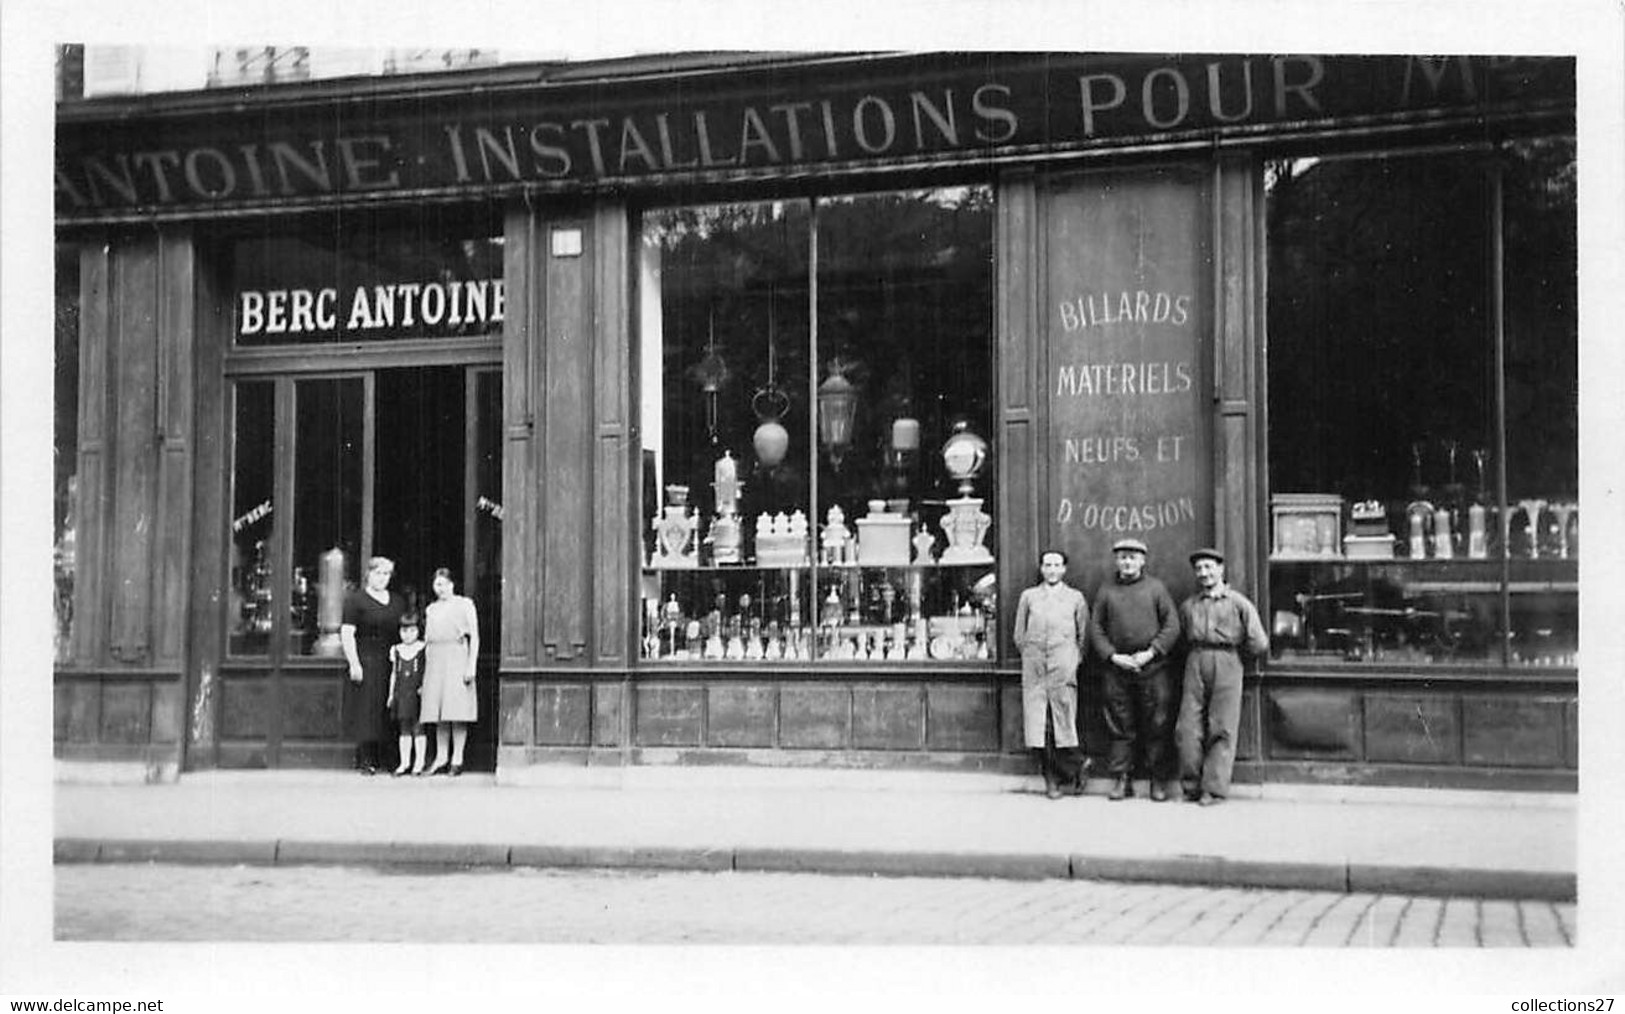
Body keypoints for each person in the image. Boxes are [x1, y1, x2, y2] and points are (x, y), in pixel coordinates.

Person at [1089, 537, 1181, 802]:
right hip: (1117, 670)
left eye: (1132, 557)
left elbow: (1172, 625)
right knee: (1119, 726)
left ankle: (1157, 779)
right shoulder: (1106, 590)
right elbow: (1095, 629)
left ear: (1142, 560)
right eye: (1122, 557)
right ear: (1116, 561)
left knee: (1157, 724)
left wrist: (1150, 652)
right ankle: (1122, 779)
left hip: (1153, 669)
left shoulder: (1156, 589)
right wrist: (1113, 656)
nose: (1127, 562)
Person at [1175, 547, 1269, 806]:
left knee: (1222, 726)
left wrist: (1235, 659)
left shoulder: (1238, 603)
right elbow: (1181, 638)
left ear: (1221, 569)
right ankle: (1191, 786)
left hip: (1228, 660)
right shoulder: (1189, 605)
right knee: (1187, 727)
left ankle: (1214, 789)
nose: (1204, 573)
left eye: (1209, 567)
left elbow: (1259, 642)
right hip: (1195, 660)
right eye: (1199, 569)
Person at [1012, 549, 1090, 800]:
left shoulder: (1075, 598)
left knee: (1063, 722)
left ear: (1064, 569)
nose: (1052, 569)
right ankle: (1052, 780)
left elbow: (1083, 636)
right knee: (1038, 726)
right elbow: (1019, 634)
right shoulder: (1029, 596)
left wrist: (1072, 660)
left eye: (1057, 565)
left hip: (1062, 666)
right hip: (1035, 667)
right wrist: (1030, 654)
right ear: (1041, 568)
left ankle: (1076, 766)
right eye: (1048, 565)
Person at [340, 556, 407, 775]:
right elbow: (347, 632)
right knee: (367, 709)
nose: (383, 578)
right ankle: (366, 759)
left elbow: (404, 631)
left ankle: (388, 757)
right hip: (366, 659)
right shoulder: (355, 600)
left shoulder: (397, 601)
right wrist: (354, 662)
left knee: (387, 708)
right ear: (368, 574)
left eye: (387, 574)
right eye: (378, 573)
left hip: (390, 659)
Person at [419, 567, 480, 776]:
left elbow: (475, 637)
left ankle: (457, 758)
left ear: (452, 584)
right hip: (436, 657)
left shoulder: (464, 605)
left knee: (457, 709)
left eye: (444, 584)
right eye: (437, 584)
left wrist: (471, 664)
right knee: (439, 711)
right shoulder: (431, 609)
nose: (441, 588)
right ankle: (441, 756)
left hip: (456, 656)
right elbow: (427, 639)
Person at [386, 613, 428, 777]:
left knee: (418, 727)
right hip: (401, 694)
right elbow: (393, 674)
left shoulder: (422, 649)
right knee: (404, 728)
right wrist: (391, 695)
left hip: (417, 694)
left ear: (418, 631)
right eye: (404, 631)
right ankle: (404, 762)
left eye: (411, 631)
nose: (407, 635)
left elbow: (427, 672)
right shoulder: (396, 650)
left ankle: (419, 762)